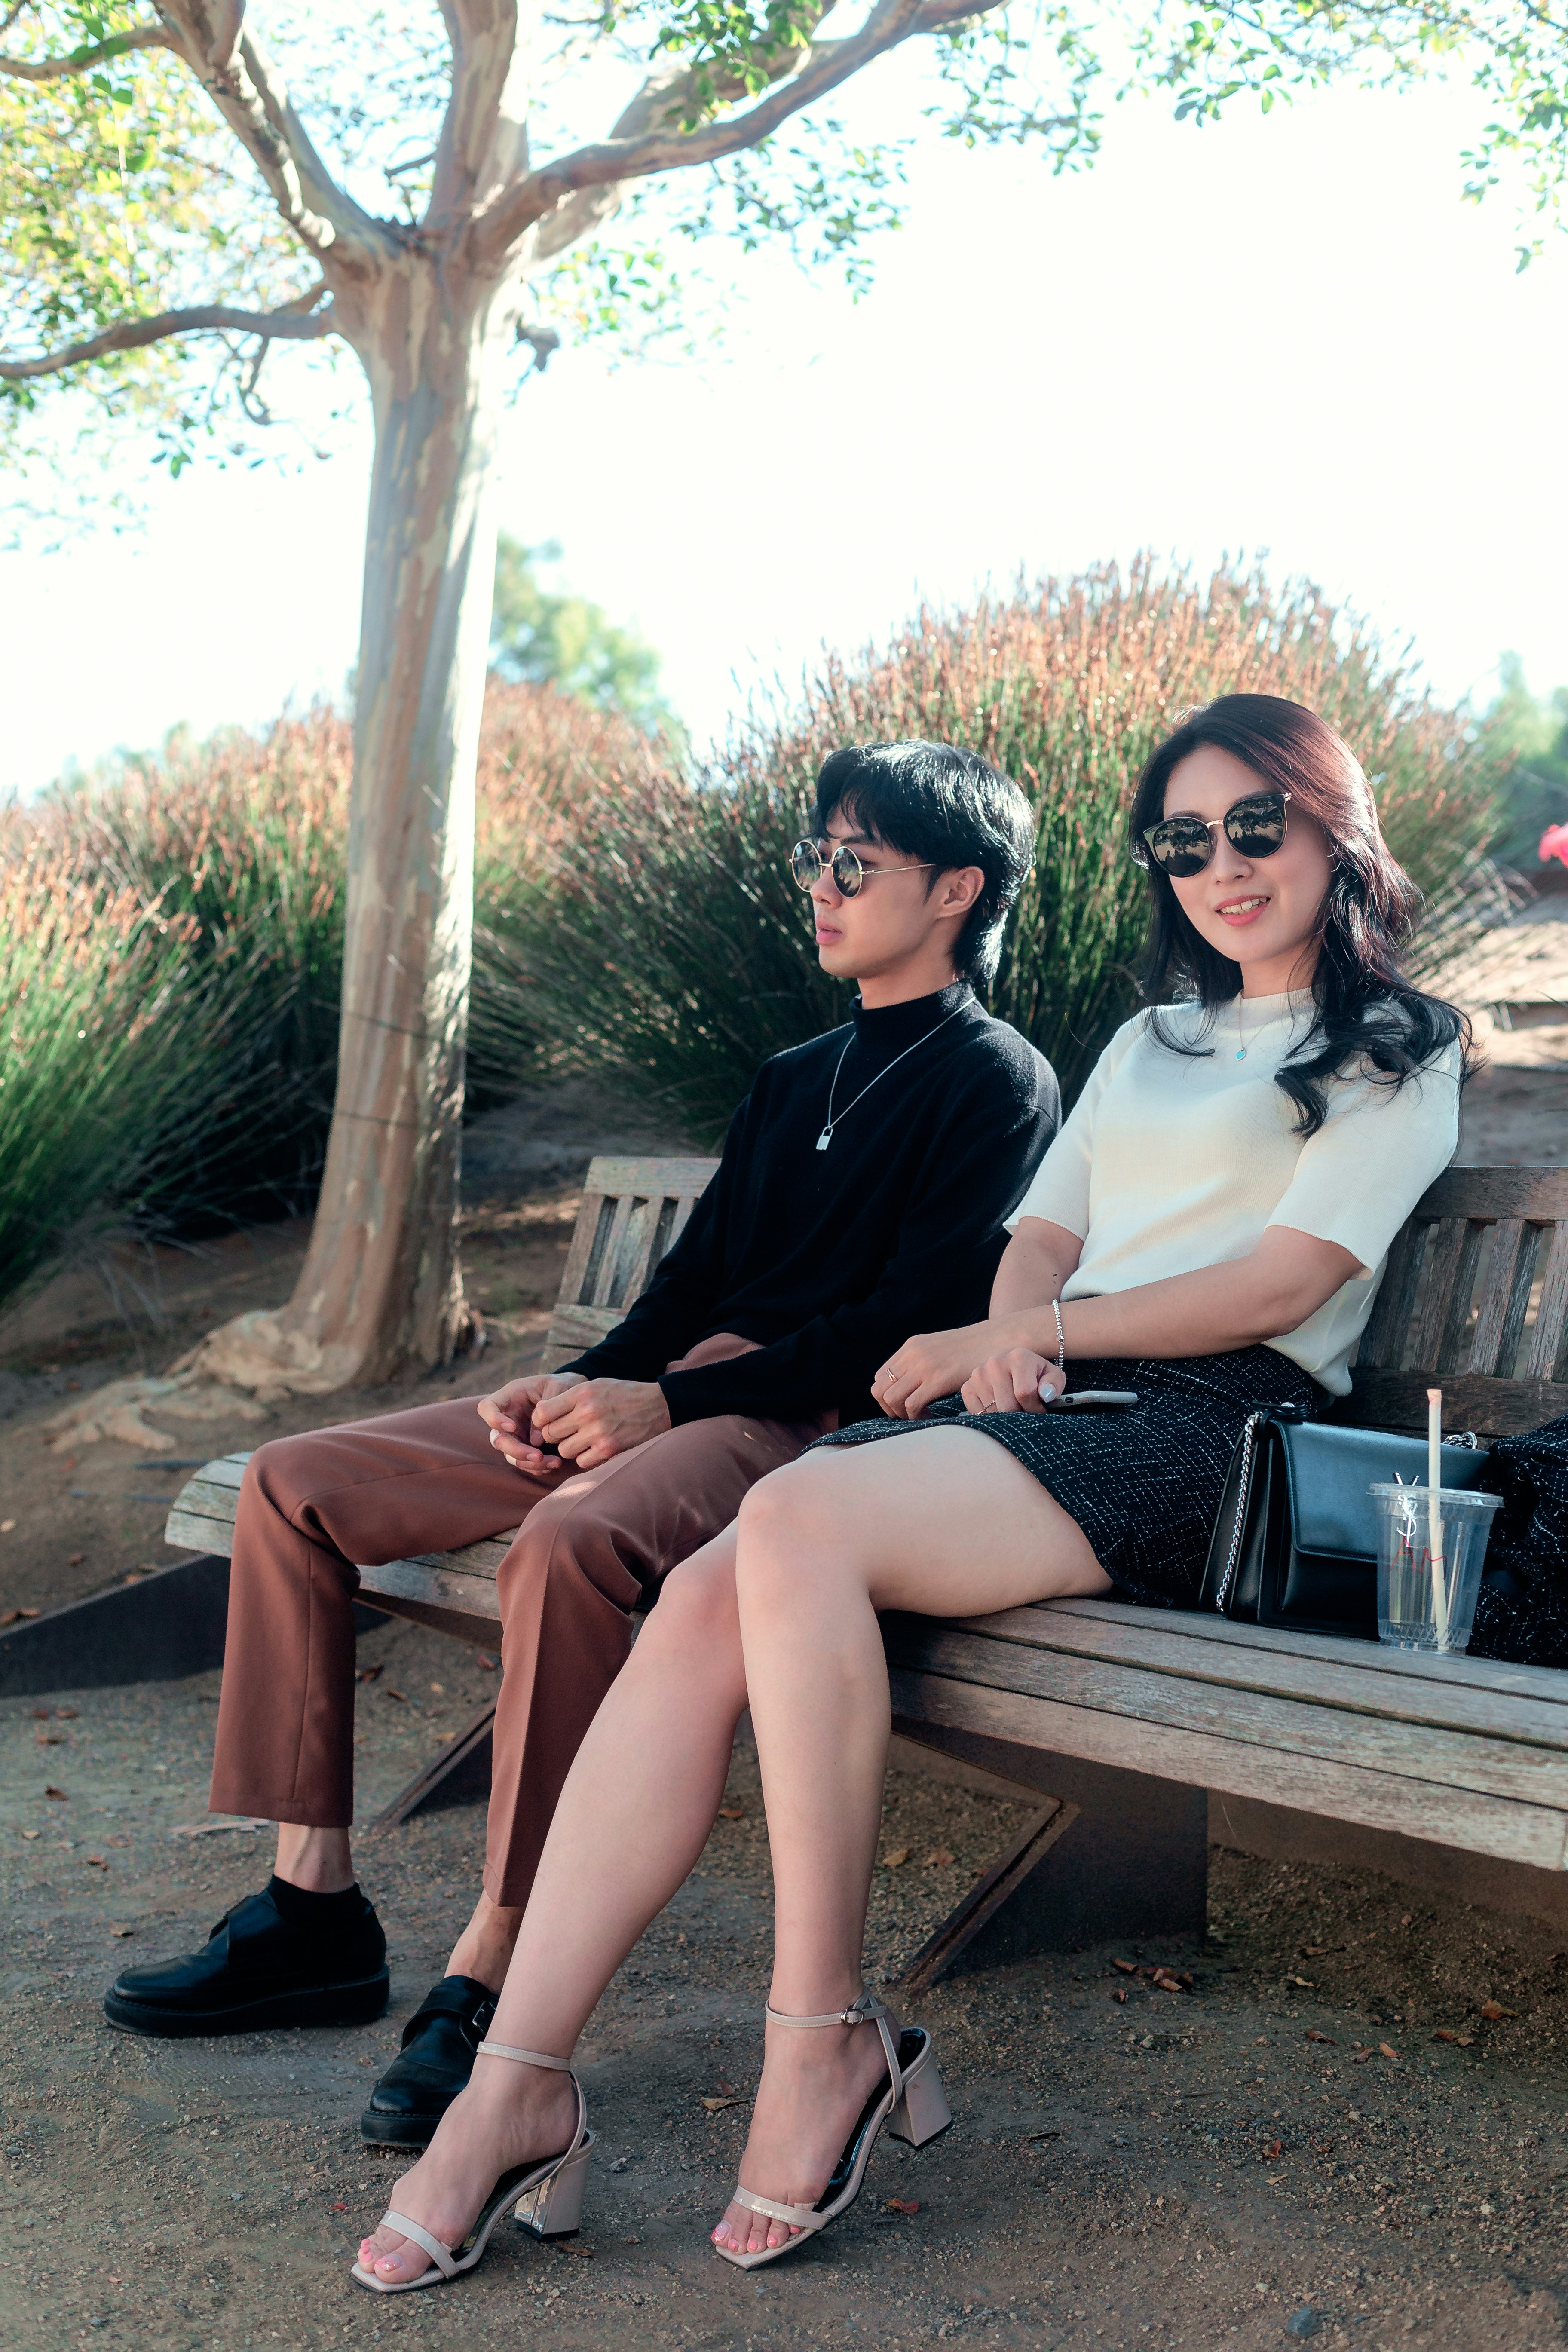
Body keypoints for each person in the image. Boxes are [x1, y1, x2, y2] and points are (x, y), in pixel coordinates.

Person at [341, 693, 1469, 2293]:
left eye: (1255, 826)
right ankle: (517, 2080)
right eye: (1184, 839)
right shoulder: (1153, 1043)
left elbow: (1286, 1282)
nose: (1222, 865)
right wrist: (1020, 1326)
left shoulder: (1399, 1047)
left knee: (788, 1516)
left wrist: (1038, 1338)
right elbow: (1047, 1226)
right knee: (716, 1580)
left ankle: (816, 2042)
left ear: (1328, 825)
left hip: (1215, 1437)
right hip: (1053, 1409)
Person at [104, 741, 1061, 2156]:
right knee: (292, 1485)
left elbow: (905, 1322)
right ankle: (313, 1909)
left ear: (957, 888)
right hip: (672, 1395)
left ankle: (494, 1966)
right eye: (816, 858)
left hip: (813, 1428)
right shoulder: (796, 1074)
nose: (822, 885)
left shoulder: (1000, 1081)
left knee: (570, 1543)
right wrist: (577, 1386)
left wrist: (661, 1410)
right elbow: (691, 1283)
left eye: (854, 862)